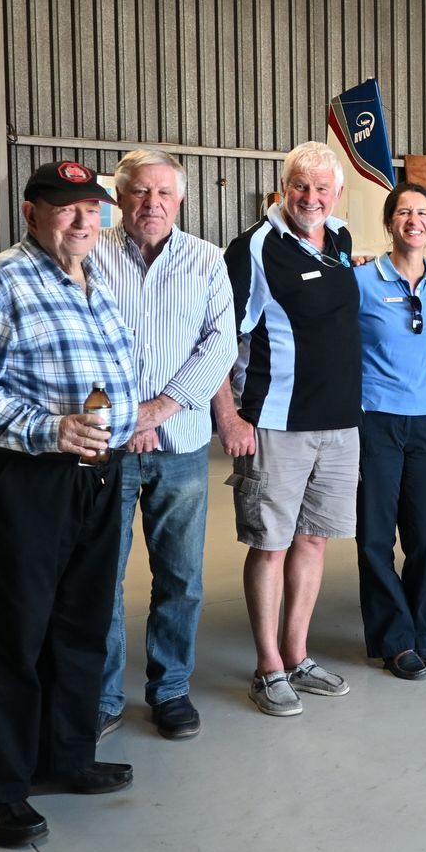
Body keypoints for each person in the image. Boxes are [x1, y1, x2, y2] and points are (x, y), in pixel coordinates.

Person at [0, 159, 139, 847]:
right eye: (65, 208)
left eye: (92, 208)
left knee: (81, 625)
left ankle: (65, 756)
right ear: (32, 212)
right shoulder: (4, 279)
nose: (84, 220)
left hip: (96, 474)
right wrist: (48, 428)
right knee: (12, 636)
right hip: (26, 477)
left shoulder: (97, 280)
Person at [92, 150, 235, 742]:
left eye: (164, 194)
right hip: (107, 447)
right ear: (118, 197)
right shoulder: (88, 256)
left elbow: (219, 344)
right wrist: (126, 418)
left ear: (181, 200)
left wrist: (158, 410)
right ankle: (101, 697)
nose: (152, 204)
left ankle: (170, 688)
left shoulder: (206, 260)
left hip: (180, 445)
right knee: (99, 575)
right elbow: (82, 343)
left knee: (181, 575)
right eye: (140, 192)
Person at [219, 142, 363, 717]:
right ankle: (267, 666)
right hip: (276, 424)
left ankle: (297, 654)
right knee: (271, 546)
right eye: (300, 187)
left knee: (312, 539)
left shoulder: (344, 239)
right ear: (283, 187)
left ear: (338, 193)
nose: (311, 198)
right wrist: (229, 416)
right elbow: (219, 337)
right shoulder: (254, 248)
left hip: (339, 423)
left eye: (322, 188)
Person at [353, 182, 426, 681]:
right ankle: (393, 640)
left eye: (422, 213)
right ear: (390, 221)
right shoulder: (362, 282)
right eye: (404, 212)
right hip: (376, 419)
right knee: (375, 536)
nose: (414, 220)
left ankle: (419, 628)